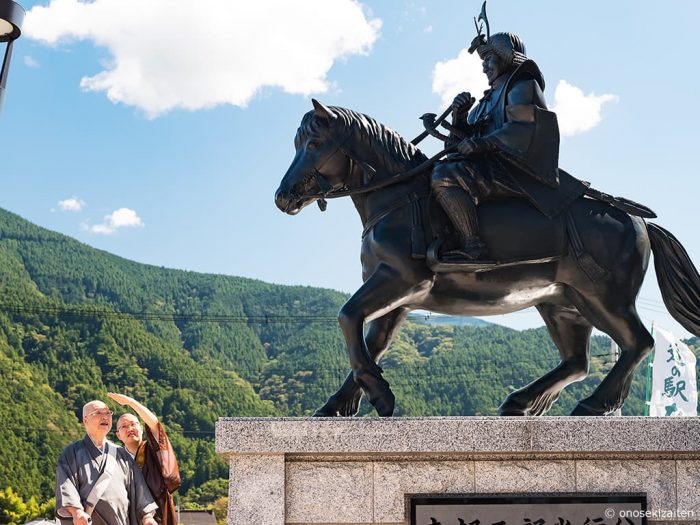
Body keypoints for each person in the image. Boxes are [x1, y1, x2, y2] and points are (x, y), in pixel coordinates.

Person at [430, 5, 587, 261]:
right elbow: (462, 144)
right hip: (490, 167)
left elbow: (523, 130)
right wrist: (458, 116)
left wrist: (482, 145)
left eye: (489, 59)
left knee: (444, 177)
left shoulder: (523, 85)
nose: (484, 67)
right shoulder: (485, 101)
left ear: (504, 58)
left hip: (516, 171)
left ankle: (473, 246)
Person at [55, 400, 158, 525]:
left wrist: (147, 517)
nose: (105, 417)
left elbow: (139, 488)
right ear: (85, 420)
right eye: (98, 413)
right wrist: (76, 511)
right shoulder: (71, 453)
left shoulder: (122, 454)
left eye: (108, 413)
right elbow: (66, 486)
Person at [109, 393, 181, 525]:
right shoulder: (115, 458)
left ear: (141, 428)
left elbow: (155, 425)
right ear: (118, 435)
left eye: (133, 424)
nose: (130, 429)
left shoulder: (153, 450)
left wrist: (131, 402)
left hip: (158, 514)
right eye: (124, 427)